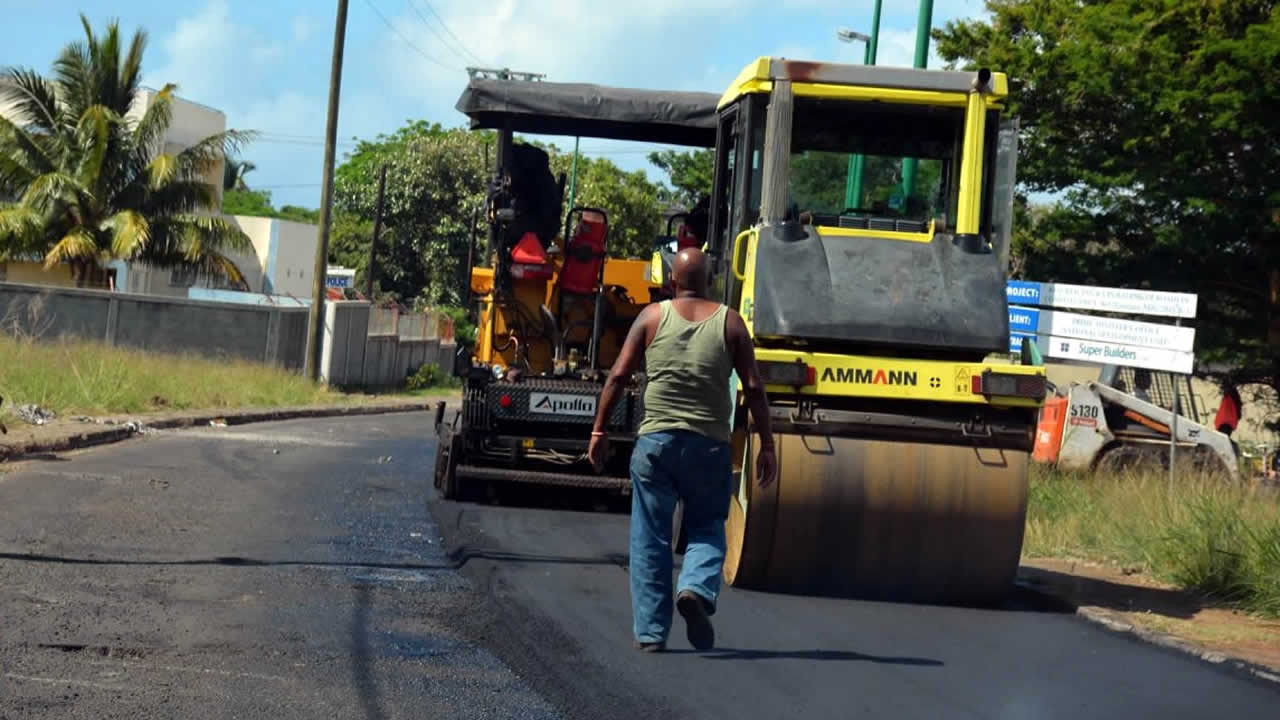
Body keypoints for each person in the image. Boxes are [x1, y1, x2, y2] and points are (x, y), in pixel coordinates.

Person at [588, 247, 776, 653]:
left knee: (650, 536)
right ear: (710, 281)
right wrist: (768, 445)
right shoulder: (730, 322)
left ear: (673, 281)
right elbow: (754, 387)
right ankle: (695, 587)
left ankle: (652, 633)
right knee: (707, 526)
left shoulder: (651, 317)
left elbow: (618, 376)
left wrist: (599, 430)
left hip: (656, 445)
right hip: (709, 447)